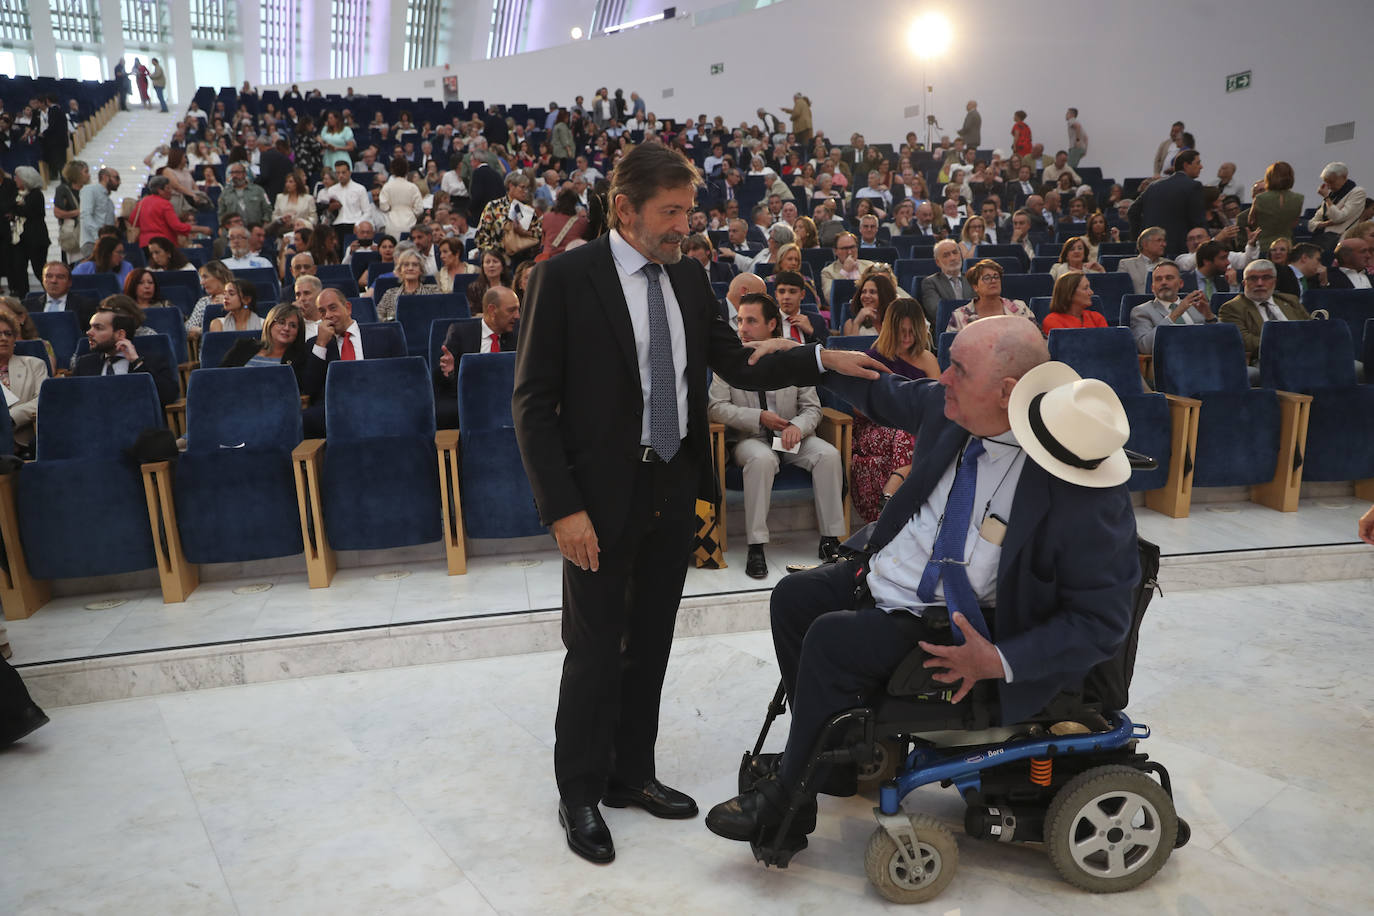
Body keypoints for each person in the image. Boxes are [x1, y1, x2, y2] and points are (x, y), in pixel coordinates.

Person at [510, 141, 886, 867]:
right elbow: (531, 404)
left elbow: (737, 361)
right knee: (593, 651)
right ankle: (581, 789)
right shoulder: (564, 279)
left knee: (649, 641)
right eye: (671, 212)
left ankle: (631, 774)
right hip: (595, 499)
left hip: (671, 488)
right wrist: (562, 510)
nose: (684, 224)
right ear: (625, 209)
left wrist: (820, 358)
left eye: (688, 210)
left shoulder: (687, 277)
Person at [705, 316, 1139, 854]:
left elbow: (1103, 621)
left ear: (1008, 392)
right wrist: (811, 355)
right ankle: (833, 759)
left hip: (962, 623)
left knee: (832, 641)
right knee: (795, 598)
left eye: (957, 368)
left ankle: (787, 808)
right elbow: (876, 388)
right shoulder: (952, 408)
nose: (942, 379)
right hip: (891, 575)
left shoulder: (1080, 485)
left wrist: (998, 659)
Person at [710, 293, 846, 578]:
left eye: (751, 321)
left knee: (828, 455)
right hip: (751, 439)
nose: (742, 328)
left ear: (772, 324)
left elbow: (812, 408)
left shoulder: (794, 354)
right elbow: (716, 408)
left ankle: (831, 539)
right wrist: (758, 417)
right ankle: (756, 546)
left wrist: (798, 426)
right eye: (740, 320)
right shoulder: (730, 361)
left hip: (790, 437)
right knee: (761, 460)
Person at [850, 297, 940, 523]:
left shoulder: (927, 359)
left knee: (917, 434)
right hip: (875, 427)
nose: (907, 338)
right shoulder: (872, 358)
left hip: (914, 426)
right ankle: (896, 500)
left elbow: (939, 403)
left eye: (912, 331)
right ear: (890, 330)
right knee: (909, 434)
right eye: (901, 331)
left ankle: (893, 491)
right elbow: (857, 407)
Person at [73, 299, 179, 405]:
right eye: (91, 327)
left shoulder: (151, 360)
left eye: (98, 328)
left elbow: (168, 397)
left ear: (120, 334)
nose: (89, 332)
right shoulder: (84, 364)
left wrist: (137, 362)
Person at [1219, 259, 1312, 375]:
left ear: (1275, 281)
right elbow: (1244, 341)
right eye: (1253, 278)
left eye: (1266, 278)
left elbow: (1310, 328)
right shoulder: (1232, 308)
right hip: (1266, 359)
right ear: (1244, 283)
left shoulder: (1290, 300)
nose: (1260, 283)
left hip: (1304, 354)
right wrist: (1286, 345)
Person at [1128, 150, 1206, 257]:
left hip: (1148, 250)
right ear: (1186, 165)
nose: (1201, 167)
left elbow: (1132, 212)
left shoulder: (1153, 186)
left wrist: (1139, 239)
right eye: (1198, 163)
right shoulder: (1193, 186)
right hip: (1179, 250)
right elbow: (1198, 221)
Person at [1129, 260, 1217, 353]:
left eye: (1169, 278)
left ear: (1181, 283)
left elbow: (1220, 339)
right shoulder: (1141, 311)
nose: (1163, 282)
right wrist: (1176, 313)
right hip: (1170, 363)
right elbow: (1144, 347)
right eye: (1158, 279)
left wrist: (1209, 317)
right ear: (1152, 287)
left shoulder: (1195, 306)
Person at [218, 303, 309, 387]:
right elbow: (219, 377)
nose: (286, 328)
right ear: (269, 324)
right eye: (281, 322)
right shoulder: (243, 347)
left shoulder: (300, 358)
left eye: (293, 325)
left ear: (298, 331)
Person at [0, 308, 48, 455]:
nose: (3, 338)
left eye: (8, 334)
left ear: (15, 339)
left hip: (25, 441)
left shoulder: (34, 364)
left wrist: (11, 417)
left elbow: (43, 400)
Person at [946, 259, 1036, 333]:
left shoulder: (1019, 308)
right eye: (987, 278)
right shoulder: (959, 316)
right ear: (975, 286)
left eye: (996, 277)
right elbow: (950, 351)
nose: (993, 281)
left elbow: (1038, 339)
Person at [475, 170, 543, 266]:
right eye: (522, 187)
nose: (525, 192)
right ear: (511, 186)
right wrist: (495, 257)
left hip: (524, 260)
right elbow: (481, 236)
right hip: (498, 260)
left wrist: (523, 232)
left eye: (527, 188)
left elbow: (539, 234)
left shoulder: (528, 210)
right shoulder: (494, 206)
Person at [4, 167, 48, 296]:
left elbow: (30, 212)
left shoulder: (36, 194)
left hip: (36, 239)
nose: (15, 180)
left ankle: (50, 293)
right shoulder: (17, 194)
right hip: (20, 239)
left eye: (17, 177)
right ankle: (24, 297)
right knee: (19, 269)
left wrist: (15, 210)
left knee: (39, 269)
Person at [131, 176, 205, 250]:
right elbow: (177, 226)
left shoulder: (142, 202)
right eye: (168, 188)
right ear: (160, 190)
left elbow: (132, 220)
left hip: (145, 244)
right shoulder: (165, 204)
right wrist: (201, 229)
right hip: (163, 245)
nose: (171, 191)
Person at [23, 261, 98, 330]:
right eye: (49, 276)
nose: (54, 281)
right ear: (43, 280)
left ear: (69, 282)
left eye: (60, 277)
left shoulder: (86, 306)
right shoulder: (27, 306)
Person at [1248, 162, 1304, 255]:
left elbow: (1251, 221)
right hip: (1286, 246)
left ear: (1269, 177)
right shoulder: (1299, 198)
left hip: (1265, 246)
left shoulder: (1260, 198)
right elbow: (1294, 223)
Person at [1308, 163, 1366, 250]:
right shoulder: (1331, 195)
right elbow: (1311, 224)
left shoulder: (1357, 193)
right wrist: (1326, 224)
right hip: (1321, 240)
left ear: (1343, 177)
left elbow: (1338, 217)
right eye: (1326, 183)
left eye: (1331, 182)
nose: (1329, 186)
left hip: (1341, 243)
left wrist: (1326, 198)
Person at [919, 239, 974, 329]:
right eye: (946, 255)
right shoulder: (931, 283)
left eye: (955, 253)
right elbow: (937, 311)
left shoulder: (972, 279)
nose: (952, 258)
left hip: (974, 326)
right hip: (948, 328)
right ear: (938, 262)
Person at [376, 248, 441, 321]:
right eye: (406, 265)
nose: (410, 268)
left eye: (415, 265)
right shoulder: (390, 294)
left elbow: (441, 315)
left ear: (421, 270)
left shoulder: (434, 291)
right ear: (400, 270)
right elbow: (377, 317)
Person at [1042, 271, 1109, 333]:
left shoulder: (1096, 318)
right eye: (1085, 288)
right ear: (1070, 294)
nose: (1091, 292)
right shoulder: (1052, 321)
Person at [316, 161, 370, 236]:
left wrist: (358, 224)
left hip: (354, 224)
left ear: (349, 172)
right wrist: (330, 209)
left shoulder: (360, 189)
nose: (341, 175)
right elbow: (328, 213)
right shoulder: (332, 190)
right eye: (338, 173)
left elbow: (367, 212)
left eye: (343, 172)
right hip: (336, 225)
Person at [537, 188, 589, 262]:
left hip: (549, 260)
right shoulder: (582, 222)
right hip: (570, 259)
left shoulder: (547, 217)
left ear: (558, 201)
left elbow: (543, 237)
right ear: (574, 203)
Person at [79, 167, 120, 260]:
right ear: (105, 177)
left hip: (105, 243)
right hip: (92, 242)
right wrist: (98, 237)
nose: (119, 182)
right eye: (116, 178)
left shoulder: (109, 202)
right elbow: (86, 215)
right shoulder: (90, 190)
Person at [185, 260, 233, 339]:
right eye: (201, 278)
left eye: (205, 277)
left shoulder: (238, 298)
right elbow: (189, 329)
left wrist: (228, 304)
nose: (201, 283)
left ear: (219, 276)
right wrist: (204, 330)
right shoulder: (203, 302)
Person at [379, 156, 424, 238]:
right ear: (407, 170)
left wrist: (391, 209)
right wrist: (411, 213)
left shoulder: (387, 186)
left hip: (392, 224)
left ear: (392, 170)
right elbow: (419, 209)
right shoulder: (412, 187)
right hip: (409, 223)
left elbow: (383, 206)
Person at [844, 270, 899, 337]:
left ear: (884, 295)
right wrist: (857, 322)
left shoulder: (897, 322)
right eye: (863, 292)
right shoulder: (851, 324)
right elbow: (851, 346)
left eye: (872, 292)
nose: (866, 296)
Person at [1119, 227, 1168, 295]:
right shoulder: (1126, 265)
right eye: (1159, 240)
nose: (1164, 244)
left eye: (1164, 241)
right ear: (1145, 244)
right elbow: (1121, 291)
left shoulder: (1169, 264)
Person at [466, 249, 510, 315]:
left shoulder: (510, 286)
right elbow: (472, 312)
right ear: (483, 267)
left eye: (495, 262)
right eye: (487, 262)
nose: (491, 265)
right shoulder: (474, 288)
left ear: (502, 267)